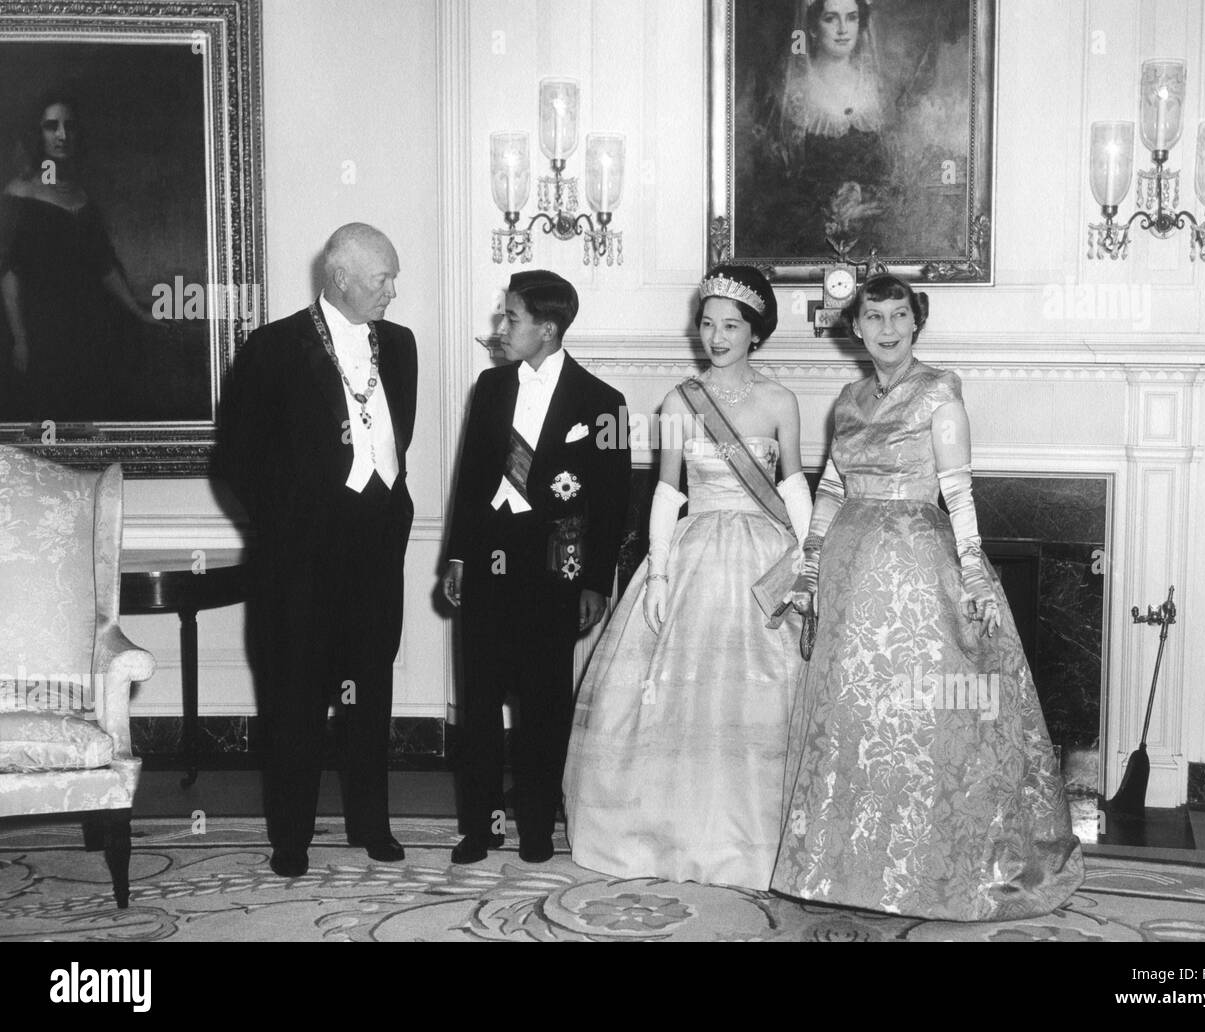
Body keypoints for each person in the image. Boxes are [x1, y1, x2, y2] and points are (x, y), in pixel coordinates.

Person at [771, 273, 1084, 920]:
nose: (886, 328)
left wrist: (973, 576)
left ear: (916, 323)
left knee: (919, 714)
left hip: (915, 565)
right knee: (856, 717)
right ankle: (845, 869)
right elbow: (830, 485)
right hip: (849, 573)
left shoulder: (940, 393)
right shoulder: (850, 399)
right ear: (854, 327)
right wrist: (808, 563)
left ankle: (921, 868)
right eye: (873, 316)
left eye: (898, 316)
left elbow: (959, 492)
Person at [563, 264, 811, 888]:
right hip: (694, 549)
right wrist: (662, 571)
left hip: (763, 555)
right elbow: (668, 490)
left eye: (731, 325)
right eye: (708, 323)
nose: (717, 336)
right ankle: (668, 833)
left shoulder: (781, 399)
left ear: (755, 332)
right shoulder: (680, 399)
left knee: (761, 698)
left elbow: (794, 487)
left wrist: (806, 562)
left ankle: (761, 840)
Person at [215, 222, 416, 878]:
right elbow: (236, 461)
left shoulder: (403, 346)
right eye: (381, 278)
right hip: (297, 568)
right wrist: (287, 530)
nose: (393, 289)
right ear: (340, 278)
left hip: (376, 557)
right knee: (294, 702)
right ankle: (292, 838)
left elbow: (394, 442)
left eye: (392, 277)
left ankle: (371, 824)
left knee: (369, 694)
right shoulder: (272, 347)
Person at [441, 270, 630, 866]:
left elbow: (614, 500)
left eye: (512, 318)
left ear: (547, 330)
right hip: (489, 562)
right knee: (479, 699)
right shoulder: (490, 387)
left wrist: (598, 581)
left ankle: (536, 827)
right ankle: (479, 824)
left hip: (555, 568)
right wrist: (458, 555)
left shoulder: (605, 403)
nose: (502, 327)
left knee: (544, 704)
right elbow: (471, 479)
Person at [0, 92, 154, 420]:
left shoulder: (82, 196)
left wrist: (138, 312)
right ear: (37, 133)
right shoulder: (19, 193)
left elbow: (104, 266)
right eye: (51, 126)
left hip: (87, 327)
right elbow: (8, 271)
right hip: (40, 329)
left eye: (69, 126)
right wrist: (19, 337)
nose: (61, 135)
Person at [748, 0, 894, 258]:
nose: (843, 29)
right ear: (812, 28)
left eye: (851, 18)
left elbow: (893, 174)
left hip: (875, 240)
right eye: (831, 18)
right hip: (808, 242)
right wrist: (830, 208)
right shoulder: (792, 94)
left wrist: (866, 198)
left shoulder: (877, 91)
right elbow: (774, 189)